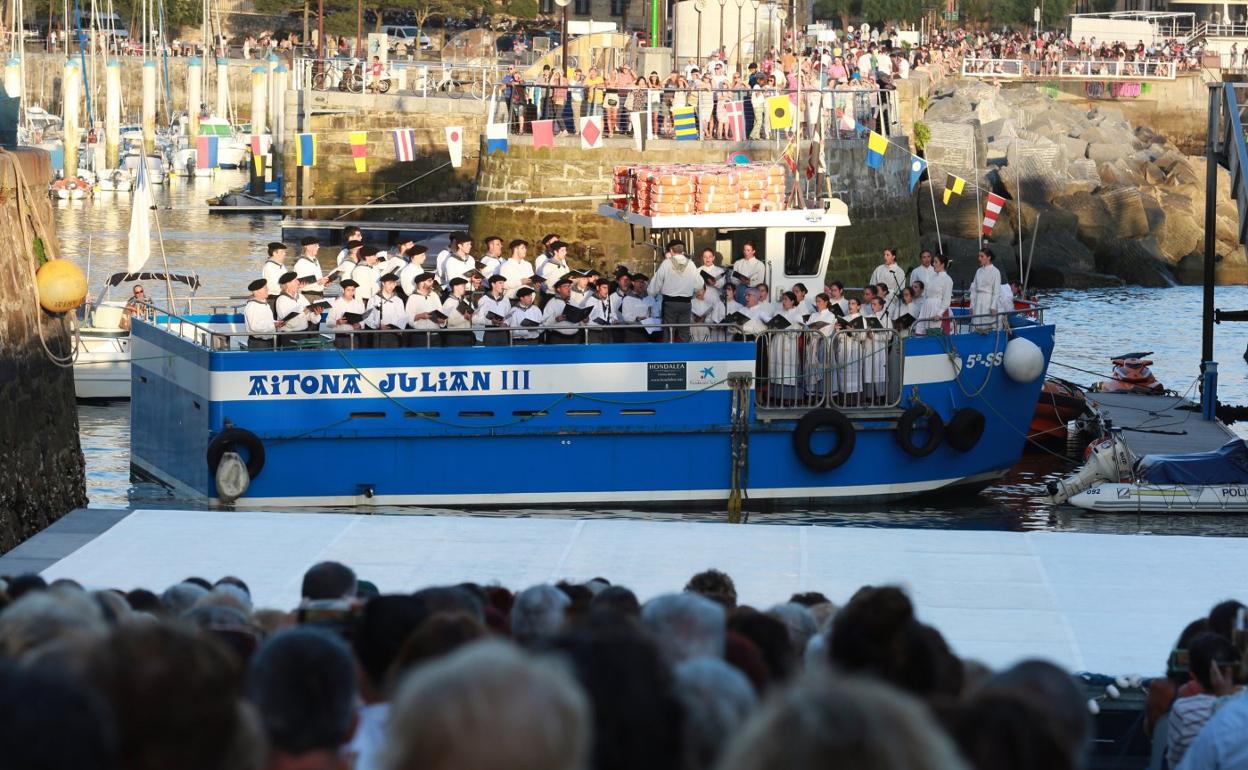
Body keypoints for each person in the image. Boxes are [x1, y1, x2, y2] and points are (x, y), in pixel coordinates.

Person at [650, 241, 699, 342]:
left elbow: (656, 282)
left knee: (669, 331)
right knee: (685, 332)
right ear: (683, 250)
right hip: (686, 303)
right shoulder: (691, 264)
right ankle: (684, 355)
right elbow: (699, 284)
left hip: (670, 303)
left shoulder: (666, 263)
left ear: (671, 250)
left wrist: (651, 292)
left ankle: (668, 355)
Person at [274, 271, 319, 345]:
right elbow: (289, 323)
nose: (298, 282)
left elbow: (310, 317)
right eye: (295, 280)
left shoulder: (300, 297)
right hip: (289, 336)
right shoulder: (281, 300)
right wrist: (304, 312)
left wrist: (316, 314)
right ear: (288, 284)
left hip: (304, 333)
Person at [366, 273, 408, 349]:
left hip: (394, 334)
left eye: (394, 284)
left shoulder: (398, 300)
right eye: (389, 283)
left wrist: (399, 329)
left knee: (394, 357)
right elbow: (368, 317)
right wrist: (377, 325)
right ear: (383, 283)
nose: (392, 286)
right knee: (379, 357)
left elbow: (403, 317)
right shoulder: (374, 299)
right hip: (379, 333)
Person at [916, 253, 952, 334]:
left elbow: (946, 300)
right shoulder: (932, 277)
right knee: (922, 333)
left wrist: (939, 314)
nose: (933, 264)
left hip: (936, 309)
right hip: (927, 308)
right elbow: (926, 294)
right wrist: (923, 308)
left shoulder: (947, 279)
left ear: (942, 264)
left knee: (934, 333)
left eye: (936, 262)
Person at [404, 272, 442, 348]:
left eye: (432, 281)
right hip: (420, 337)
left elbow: (441, 312)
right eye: (429, 281)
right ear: (421, 283)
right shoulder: (413, 298)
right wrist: (420, 316)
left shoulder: (434, 295)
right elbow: (408, 317)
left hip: (435, 336)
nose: (432, 283)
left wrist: (442, 320)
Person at [474, 274, 512, 346]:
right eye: (500, 283)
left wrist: (506, 323)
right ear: (493, 284)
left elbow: (509, 316)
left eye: (503, 283)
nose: (503, 286)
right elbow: (477, 319)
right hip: (490, 333)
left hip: (503, 334)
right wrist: (491, 322)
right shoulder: (484, 300)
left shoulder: (506, 299)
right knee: (490, 356)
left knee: (504, 356)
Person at [244, 277, 282, 349]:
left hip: (269, 341)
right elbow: (255, 327)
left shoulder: (265, 304)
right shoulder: (252, 306)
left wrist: (277, 323)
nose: (268, 290)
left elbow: (267, 320)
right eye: (265, 288)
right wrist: (273, 325)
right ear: (258, 291)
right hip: (258, 343)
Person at [327, 279, 365, 349]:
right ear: (343, 290)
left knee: (353, 358)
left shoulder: (359, 304)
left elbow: (363, 320)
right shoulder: (335, 304)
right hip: (339, 338)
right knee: (339, 359)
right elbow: (328, 323)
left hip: (354, 337)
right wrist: (337, 322)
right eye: (348, 290)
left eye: (353, 290)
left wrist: (359, 325)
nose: (351, 292)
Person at [969, 248, 1002, 329]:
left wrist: (993, 306)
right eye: (979, 256)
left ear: (989, 257)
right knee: (976, 324)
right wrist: (971, 305)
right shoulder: (978, 271)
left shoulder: (995, 271)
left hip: (988, 302)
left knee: (986, 325)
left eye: (981, 256)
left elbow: (997, 291)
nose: (979, 258)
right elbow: (973, 289)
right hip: (977, 301)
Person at [543, 278, 582, 344]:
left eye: (569, 286)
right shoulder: (552, 303)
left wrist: (583, 318)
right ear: (558, 289)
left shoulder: (573, 302)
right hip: (558, 338)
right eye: (565, 286)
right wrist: (556, 319)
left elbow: (579, 320)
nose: (568, 288)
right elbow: (544, 323)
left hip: (575, 338)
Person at [440, 277, 476, 347]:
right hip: (455, 336)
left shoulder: (466, 301)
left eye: (465, 285)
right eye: (463, 286)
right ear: (455, 287)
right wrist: (464, 318)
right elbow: (447, 322)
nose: (465, 288)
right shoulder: (448, 302)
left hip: (468, 335)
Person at [869, 248, 907, 314]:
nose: (885, 257)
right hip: (877, 300)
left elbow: (900, 288)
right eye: (884, 255)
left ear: (893, 256)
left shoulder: (899, 271)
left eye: (887, 255)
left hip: (892, 301)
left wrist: (889, 296)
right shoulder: (879, 269)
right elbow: (872, 284)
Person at [293, 237, 329, 302]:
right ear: (308, 247)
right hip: (308, 296)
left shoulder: (315, 260)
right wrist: (319, 283)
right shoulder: (301, 263)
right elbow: (300, 285)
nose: (318, 247)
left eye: (318, 245)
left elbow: (317, 279)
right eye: (316, 245)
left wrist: (324, 283)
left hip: (319, 295)